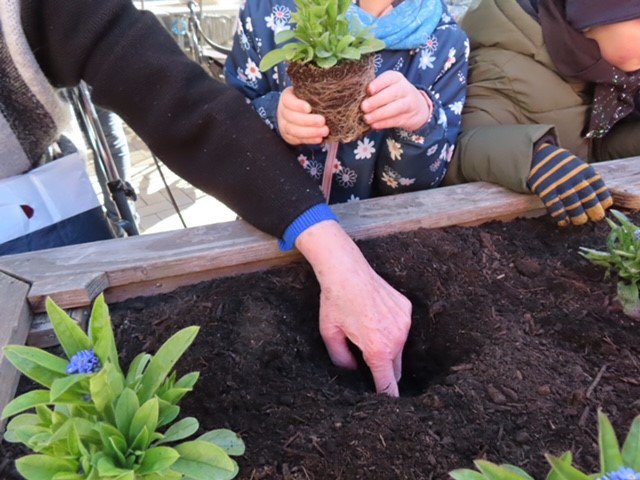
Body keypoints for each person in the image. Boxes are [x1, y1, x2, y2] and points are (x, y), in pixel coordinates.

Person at [0, 0, 411, 396]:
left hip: (26, 203)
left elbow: (166, 89)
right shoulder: (268, 11)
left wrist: (333, 251)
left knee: (106, 364)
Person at [225, 0, 469, 204]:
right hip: (275, 221)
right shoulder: (268, 10)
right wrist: (273, 116)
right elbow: (226, 129)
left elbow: (418, 189)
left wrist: (420, 124)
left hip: (374, 233)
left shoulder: (445, 41)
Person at [445, 0, 640, 226]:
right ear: (589, 18)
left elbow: (595, 145)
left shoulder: (602, 62)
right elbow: (455, 148)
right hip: (506, 229)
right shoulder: (506, 68)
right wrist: (535, 159)